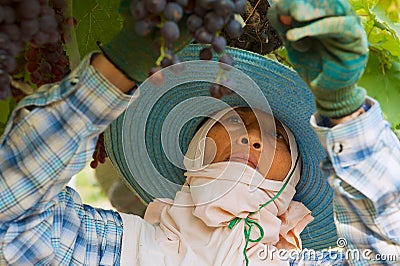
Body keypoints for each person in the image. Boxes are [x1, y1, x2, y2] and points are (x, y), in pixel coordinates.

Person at [0, 1, 399, 266]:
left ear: (293, 190)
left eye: (278, 137)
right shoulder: (122, 248)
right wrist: (118, 70)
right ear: (191, 157)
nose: (253, 137)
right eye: (232, 122)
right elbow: (10, 218)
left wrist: (344, 110)